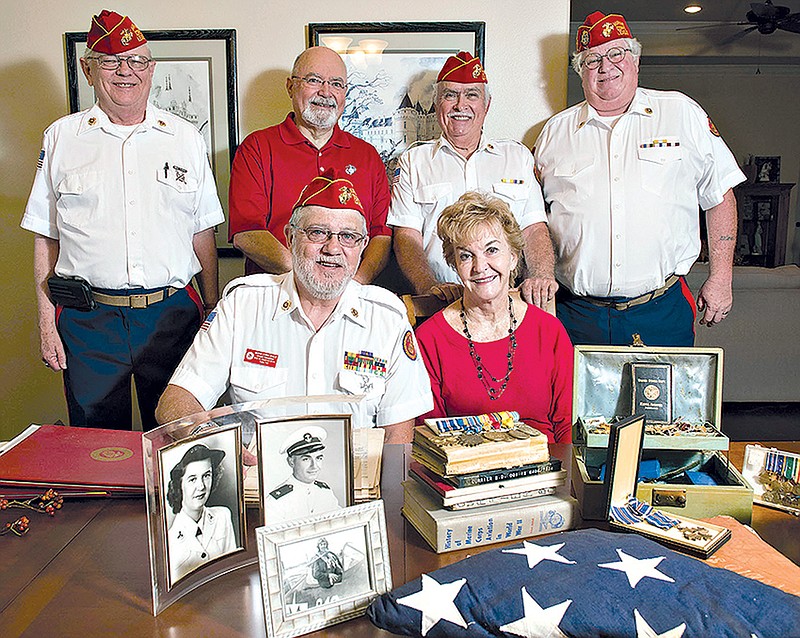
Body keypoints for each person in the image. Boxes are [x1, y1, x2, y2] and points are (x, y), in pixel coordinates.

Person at [20, 10, 223, 430]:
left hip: (172, 315)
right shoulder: (61, 137)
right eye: (111, 61)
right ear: (88, 68)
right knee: (96, 447)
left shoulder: (185, 138)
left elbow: (203, 231)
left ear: (151, 69)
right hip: (88, 321)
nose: (125, 72)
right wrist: (45, 323)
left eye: (137, 61)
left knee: (178, 440)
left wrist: (211, 308)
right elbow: (46, 235)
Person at [155, 174, 433, 443]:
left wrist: (390, 492)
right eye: (317, 233)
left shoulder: (388, 318)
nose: (333, 248)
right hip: (257, 483)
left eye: (348, 236)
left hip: (356, 486)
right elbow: (177, 402)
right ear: (290, 238)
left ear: (362, 246)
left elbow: (398, 435)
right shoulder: (243, 306)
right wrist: (220, 449)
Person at [533, 11, 745, 346]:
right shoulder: (553, 134)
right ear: (580, 71)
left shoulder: (681, 113)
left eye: (616, 53)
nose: (606, 67)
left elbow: (719, 195)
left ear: (636, 59)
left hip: (661, 309)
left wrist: (721, 277)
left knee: (660, 400)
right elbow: (532, 220)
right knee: (574, 401)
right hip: (575, 313)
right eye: (592, 60)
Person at [388, 51, 557, 308]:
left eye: (472, 95)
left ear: (486, 105)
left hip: (507, 302)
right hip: (440, 301)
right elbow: (406, 236)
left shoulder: (517, 156)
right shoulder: (413, 162)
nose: (460, 105)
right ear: (437, 104)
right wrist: (429, 287)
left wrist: (541, 277)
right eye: (450, 95)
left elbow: (534, 228)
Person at [415, 191, 573, 443]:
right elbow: (433, 438)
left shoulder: (549, 331)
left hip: (546, 470)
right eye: (466, 255)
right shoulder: (429, 340)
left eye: (491, 250)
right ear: (454, 264)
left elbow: (567, 427)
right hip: (467, 473)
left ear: (513, 257)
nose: (480, 267)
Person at [228, 46, 391, 284]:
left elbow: (381, 235)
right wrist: (310, 280)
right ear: (290, 86)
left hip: (351, 295)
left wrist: (355, 285)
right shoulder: (257, 148)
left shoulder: (367, 156)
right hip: (276, 293)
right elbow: (246, 233)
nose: (326, 92)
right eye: (314, 80)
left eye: (336, 84)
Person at [166, 443, 237, 583]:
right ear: (179, 485)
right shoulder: (170, 539)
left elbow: (231, 571)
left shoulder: (223, 516)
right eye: (192, 479)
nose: (201, 486)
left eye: (206, 476)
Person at [265, 426, 340, 523]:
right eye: (306, 459)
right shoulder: (276, 502)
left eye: (318, 458)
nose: (314, 466)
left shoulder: (326, 492)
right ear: (291, 462)